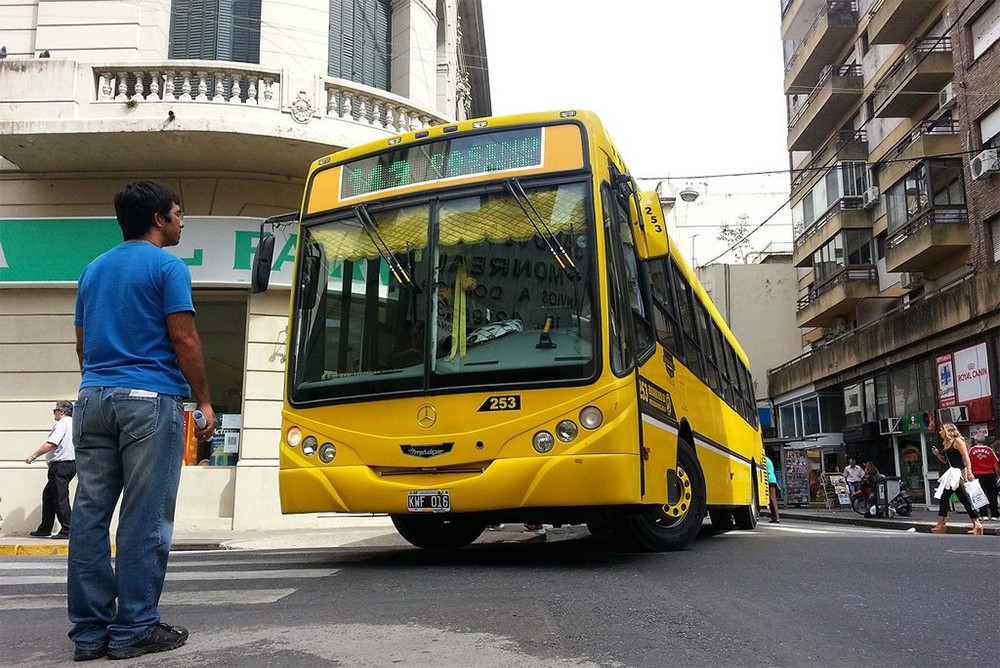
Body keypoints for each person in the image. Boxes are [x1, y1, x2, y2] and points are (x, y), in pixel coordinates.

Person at [67, 180, 217, 662]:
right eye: (178, 213)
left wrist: (103, 383)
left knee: (89, 517)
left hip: (92, 397)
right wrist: (205, 401)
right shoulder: (168, 266)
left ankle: (90, 634)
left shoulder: (93, 269)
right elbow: (184, 339)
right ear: (159, 220)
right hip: (149, 399)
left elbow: (82, 345)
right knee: (144, 517)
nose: (182, 221)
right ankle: (134, 627)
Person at [25, 400, 77, 539]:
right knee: (48, 495)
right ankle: (45, 528)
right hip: (71, 464)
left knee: (60, 497)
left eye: (55, 410)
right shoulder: (74, 423)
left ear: (62, 412)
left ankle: (68, 529)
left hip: (60, 466)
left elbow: (51, 444)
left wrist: (33, 456)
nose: (54, 413)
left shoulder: (62, 423)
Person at [930, 423, 984, 536]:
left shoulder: (958, 441)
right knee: (963, 499)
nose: (940, 432)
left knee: (946, 497)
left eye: (941, 430)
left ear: (947, 431)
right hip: (952, 473)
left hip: (958, 473)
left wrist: (969, 471)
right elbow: (945, 461)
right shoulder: (947, 443)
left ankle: (941, 524)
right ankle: (976, 523)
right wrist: (937, 455)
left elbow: (965, 456)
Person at [968, 435, 1000, 521]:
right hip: (990, 474)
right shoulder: (990, 450)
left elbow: (968, 463)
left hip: (977, 475)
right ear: (984, 441)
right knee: (992, 495)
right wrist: (997, 475)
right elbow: (995, 464)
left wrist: (969, 473)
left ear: (975, 441)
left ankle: (984, 515)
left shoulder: (972, 450)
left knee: (980, 495)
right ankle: (995, 514)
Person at [765, 456, 780, 523]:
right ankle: (775, 517)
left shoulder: (764, 459)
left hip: (769, 480)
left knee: (772, 499)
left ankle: (776, 517)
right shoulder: (768, 460)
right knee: (772, 499)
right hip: (773, 479)